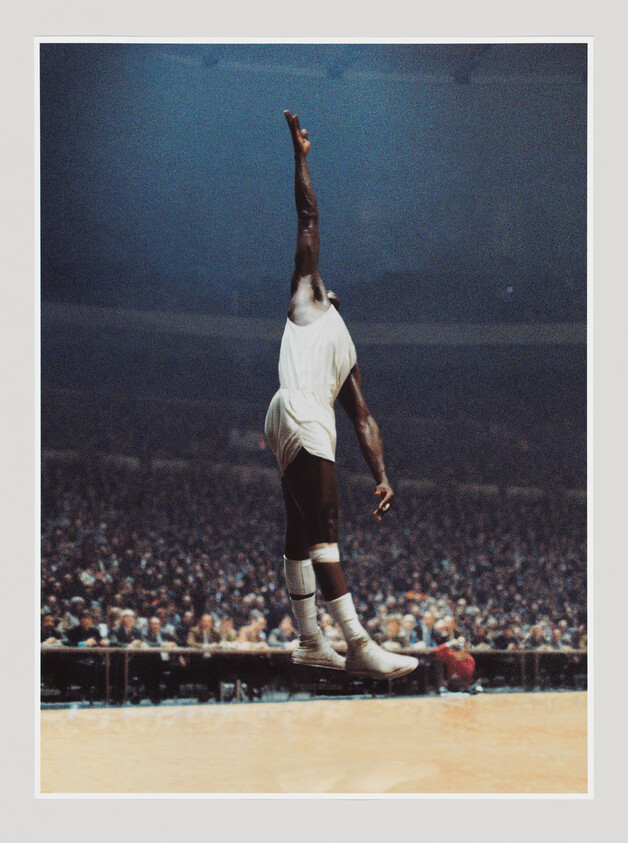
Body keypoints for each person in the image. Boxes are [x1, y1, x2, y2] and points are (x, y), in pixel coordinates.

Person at [264, 110, 417, 681]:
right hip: (302, 408)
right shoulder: (306, 294)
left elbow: (365, 420)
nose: (324, 278)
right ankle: (356, 642)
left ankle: (310, 639)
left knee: (300, 529)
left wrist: (382, 475)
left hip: (292, 414)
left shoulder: (344, 348)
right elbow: (308, 215)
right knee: (325, 528)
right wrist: (301, 156)